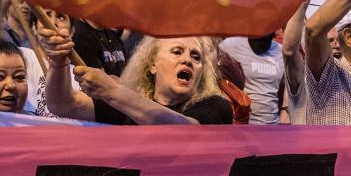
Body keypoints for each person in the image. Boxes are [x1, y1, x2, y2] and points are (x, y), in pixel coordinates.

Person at [40, 29, 232, 125]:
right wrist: (58, 63)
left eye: (196, 57)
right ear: (152, 65)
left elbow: (186, 132)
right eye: (177, 51)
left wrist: (113, 91)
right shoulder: (126, 103)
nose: (187, 60)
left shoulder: (216, 106)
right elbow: (63, 105)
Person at [219, 33, 284, 124]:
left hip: (272, 126)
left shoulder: (280, 51)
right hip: (244, 127)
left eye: (264, 39)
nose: (259, 42)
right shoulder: (229, 45)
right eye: (256, 38)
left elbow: (281, 90)